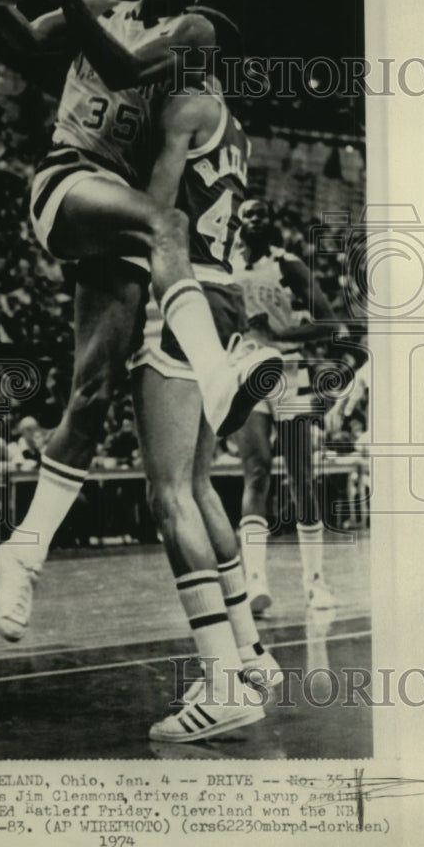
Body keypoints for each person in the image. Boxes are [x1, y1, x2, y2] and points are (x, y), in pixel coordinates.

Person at [0, 0, 282, 641]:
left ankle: (24, 552)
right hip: (70, 178)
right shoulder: (100, 4)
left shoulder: (190, 30)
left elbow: (127, 67)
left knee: (92, 397)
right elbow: (22, 41)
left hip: (121, 217)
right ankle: (217, 379)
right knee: (169, 227)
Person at [128, 78, 282, 742]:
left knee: (168, 496)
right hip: (220, 297)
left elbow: (155, 214)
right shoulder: (232, 123)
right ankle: (250, 658)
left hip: (179, 295)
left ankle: (221, 684)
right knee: (197, 487)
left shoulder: (183, 106)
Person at [232, 200, 344, 614]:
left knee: (301, 476)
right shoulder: (227, 265)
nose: (256, 219)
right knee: (256, 470)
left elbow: (329, 321)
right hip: (246, 372)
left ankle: (315, 582)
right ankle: (255, 580)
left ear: (271, 222)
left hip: (289, 373)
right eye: (249, 214)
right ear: (239, 224)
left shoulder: (287, 264)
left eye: (263, 213)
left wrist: (282, 330)